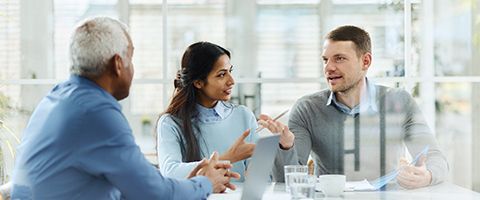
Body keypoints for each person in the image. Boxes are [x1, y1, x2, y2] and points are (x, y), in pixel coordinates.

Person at [10, 17, 238, 199]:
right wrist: (205, 183)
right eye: (131, 59)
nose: (133, 69)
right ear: (118, 64)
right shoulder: (95, 112)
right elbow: (154, 193)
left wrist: (189, 179)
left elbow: (132, 183)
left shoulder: (58, 98)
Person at [273, 25, 448, 189]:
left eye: (339, 59)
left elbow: (436, 158)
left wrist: (427, 176)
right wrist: (285, 147)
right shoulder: (307, 109)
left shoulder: (399, 102)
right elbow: (284, 181)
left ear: (365, 61)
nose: (328, 68)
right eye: (325, 60)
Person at [156, 41, 294, 181]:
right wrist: (229, 158)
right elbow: (170, 172)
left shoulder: (243, 115)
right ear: (198, 82)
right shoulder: (170, 123)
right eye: (221, 75)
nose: (231, 81)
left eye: (230, 71)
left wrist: (282, 147)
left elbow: (262, 179)